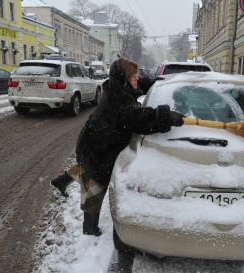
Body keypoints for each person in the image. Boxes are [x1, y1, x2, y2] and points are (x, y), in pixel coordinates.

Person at [51, 58, 184, 236]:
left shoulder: (118, 87)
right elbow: (139, 119)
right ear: (124, 78)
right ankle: (89, 229)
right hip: (97, 149)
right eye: (133, 75)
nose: (137, 78)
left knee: (86, 170)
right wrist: (165, 117)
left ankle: (61, 181)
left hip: (93, 143)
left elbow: (136, 87)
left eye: (137, 75)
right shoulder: (119, 100)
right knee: (94, 187)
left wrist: (153, 83)